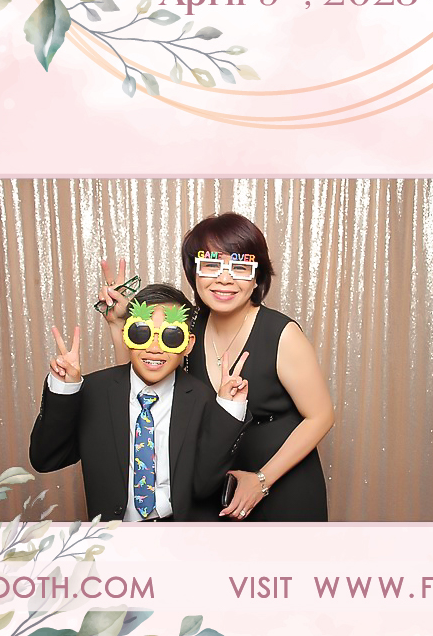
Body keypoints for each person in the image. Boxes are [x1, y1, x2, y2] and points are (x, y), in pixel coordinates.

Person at [100, 214, 335, 520]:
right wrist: (117, 324)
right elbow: (141, 381)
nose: (224, 279)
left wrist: (261, 481)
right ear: (194, 272)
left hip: (282, 483)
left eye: (240, 267)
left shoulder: (282, 333)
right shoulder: (187, 326)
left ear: (257, 277)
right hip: (211, 482)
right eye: (211, 265)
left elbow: (321, 416)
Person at [31, 283, 250, 521]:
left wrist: (230, 407)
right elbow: (46, 459)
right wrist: (65, 389)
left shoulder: (204, 400)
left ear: (188, 345)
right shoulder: (95, 392)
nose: (154, 348)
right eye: (141, 333)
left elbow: (205, 485)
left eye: (171, 337)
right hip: (114, 533)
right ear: (126, 335)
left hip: (181, 533)